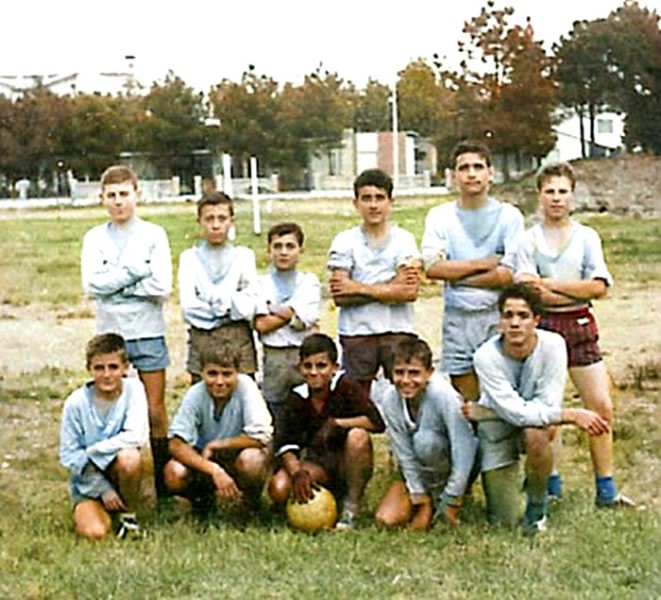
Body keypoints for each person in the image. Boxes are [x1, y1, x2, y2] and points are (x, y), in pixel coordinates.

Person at [514, 162, 634, 507]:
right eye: (549, 191)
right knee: (546, 411)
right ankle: (549, 484)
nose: (556, 198)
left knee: (600, 406)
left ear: (573, 195)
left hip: (580, 326)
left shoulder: (586, 237)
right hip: (543, 328)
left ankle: (606, 489)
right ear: (539, 195)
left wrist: (551, 284)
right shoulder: (528, 239)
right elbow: (530, 293)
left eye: (562, 191)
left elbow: (598, 287)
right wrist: (569, 291)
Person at [467, 284, 610, 535]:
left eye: (522, 316)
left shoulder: (554, 345)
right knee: (504, 520)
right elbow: (515, 413)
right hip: (498, 427)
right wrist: (571, 415)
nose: (514, 323)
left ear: (536, 320)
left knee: (537, 433)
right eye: (507, 315)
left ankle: (537, 506)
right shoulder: (485, 356)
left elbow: (547, 405)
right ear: (499, 321)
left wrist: (551, 416)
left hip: (529, 423)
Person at [81, 165, 172, 500]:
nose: (118, 202)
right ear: (102, 198)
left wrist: (114, 282)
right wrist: (135, 273)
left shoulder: (153, 235)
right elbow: (92, 285)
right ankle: (111, 481)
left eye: (124, 194)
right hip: (110, 332)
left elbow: (161, 285)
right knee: (111, 407)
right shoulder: (95, 238)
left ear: (137, 194)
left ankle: (164, 483)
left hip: (147, 330)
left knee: (154, 410)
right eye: (112, 196)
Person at [421, 141, 524, 404]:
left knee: (501, 397)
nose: (471, 173)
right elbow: (432, 267)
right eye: (463, 167)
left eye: (478, 167)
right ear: (453, 175)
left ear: (490, 172)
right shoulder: (440, 216)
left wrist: (455, 275)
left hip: (496, 317)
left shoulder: (509, 216)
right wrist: (484, 263)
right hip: (457, 319)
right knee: (466, 404)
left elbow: (508, 274)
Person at [268, 333, 385, 529]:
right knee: (279, 487)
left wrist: (337, 423)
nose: (314, 372)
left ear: (334, 368)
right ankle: (291, 508)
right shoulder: (297, 397)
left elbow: (376, 422)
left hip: (344, 461)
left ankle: (351, 506)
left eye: (321, 366)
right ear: (300, 368)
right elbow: (285, 443)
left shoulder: (346, 387)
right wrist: (297, 472)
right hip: (318, 463)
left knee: (358, 436)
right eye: (308, 366)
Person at [327, 168, 421, 391]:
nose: (373, 205)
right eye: (366, 198)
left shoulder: (404, 240)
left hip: (397, 330)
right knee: (359, 399)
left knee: (404, 392)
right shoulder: (344, 241)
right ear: (356, 203)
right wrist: (391, 287)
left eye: (380, 198)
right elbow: (340, 295)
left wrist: (357, 287)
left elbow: (408, 292)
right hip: (357, 333)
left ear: (391, 202)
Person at [373, 337, 478, 531]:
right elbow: (403, 452)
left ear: (429, 372)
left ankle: (446, 498)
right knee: (385, 519)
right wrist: (418, 495)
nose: (406, 380)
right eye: (399, 373)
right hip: (421, 470)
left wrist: (452, 498)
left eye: (414, 373)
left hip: (451, 462)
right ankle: (428, 499)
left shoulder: (444, 395)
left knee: (425, 441)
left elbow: (464, 447)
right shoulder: (390, 399)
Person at [164, 342, 272, 520]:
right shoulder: (195, 393)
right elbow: (176, 443)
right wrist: (214, 470)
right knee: (174, 471)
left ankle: (250, 505)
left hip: (236, 455)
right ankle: (202, 504)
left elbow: (261, 436)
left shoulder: (247, 388)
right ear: (202, 373)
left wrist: (219, 444)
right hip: (206, 460)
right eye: (212, 374)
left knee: (252, 460)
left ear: (238, 372)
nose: (220, 382)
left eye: (227, 374)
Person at [59, 333, 149, 540]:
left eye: (113, 367)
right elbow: (70, 456)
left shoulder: (134, 390)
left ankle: (129, 516)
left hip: (120, 470)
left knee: (130, 457)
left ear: (125, 368)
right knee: (94, 533)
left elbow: (136, 436)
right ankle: (102, 507)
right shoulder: (75, 403)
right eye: (99, 368)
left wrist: (93, 450)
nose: (107, 375)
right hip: (88, 479)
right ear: (88, 369)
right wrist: (102, 489)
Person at [178, 192, 259, 383]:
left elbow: (250, 303)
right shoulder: (189, 258)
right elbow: (189, 307)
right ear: (199, 221)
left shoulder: (244, 256)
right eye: (209, 219)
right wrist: (230, 307)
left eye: (222, 218)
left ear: (231, 221)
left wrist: (218, 305)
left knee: (244, 396)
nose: (215, 225)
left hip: (239, 339)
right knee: (204, 396)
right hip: (202, 338)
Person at [254, 222, 321, 427]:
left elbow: (306, 318)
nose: (283, 252)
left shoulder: (309, 282)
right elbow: (262, 324)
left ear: (301, 249)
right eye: (278, 246)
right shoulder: (260, 283)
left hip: (303, 354)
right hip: (274, 356)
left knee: (308, 406)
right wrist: (293, 311)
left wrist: (273, 308)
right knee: (275, 409)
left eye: (290, 246)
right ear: (269, 249)